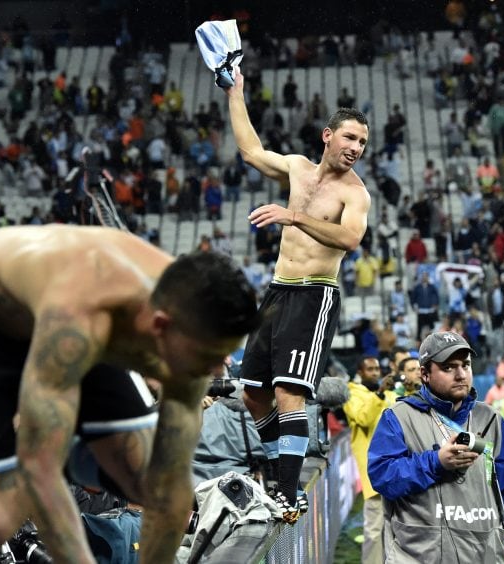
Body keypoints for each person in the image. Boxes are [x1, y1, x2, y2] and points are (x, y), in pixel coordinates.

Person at [0, 225, 260, 564]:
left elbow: (170, 493)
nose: (218, 370)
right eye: (208, 357)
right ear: (161, 327)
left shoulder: (192, 326)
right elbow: (38, 471)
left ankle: (75, 452)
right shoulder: (80, 313)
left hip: (50, 320)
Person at [226, 67, 370, 523]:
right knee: (253, 394)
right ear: (327, 135)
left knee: (289, 391)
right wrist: (236, 91)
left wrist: (293, 217)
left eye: (362, 143)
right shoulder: (297, 168)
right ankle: (279, 473)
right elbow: (250, 151)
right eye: (349, 138)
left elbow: (348, 240)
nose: (355, 148)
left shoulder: (357, 193)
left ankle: (286, 492)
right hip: (277, 291)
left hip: (315, 295)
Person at [368, 331, 504, 563]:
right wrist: (437, 461)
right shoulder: (398, 417)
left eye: (465, 365)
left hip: (484, 553)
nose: (460, 374)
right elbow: (383, 477)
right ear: (425, 374)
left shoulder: (490, 419)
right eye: (448, 368)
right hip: (420, 555)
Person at [342, 355, 396, 564]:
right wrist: (380, 393)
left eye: (376, 369)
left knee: (397, 529)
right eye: (370, 369)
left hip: (395, 467)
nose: (375, 372)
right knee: (374, 530)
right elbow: (363, 418)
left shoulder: (388, 394)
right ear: (360, 372)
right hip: (374, 471)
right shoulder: (352, 393)